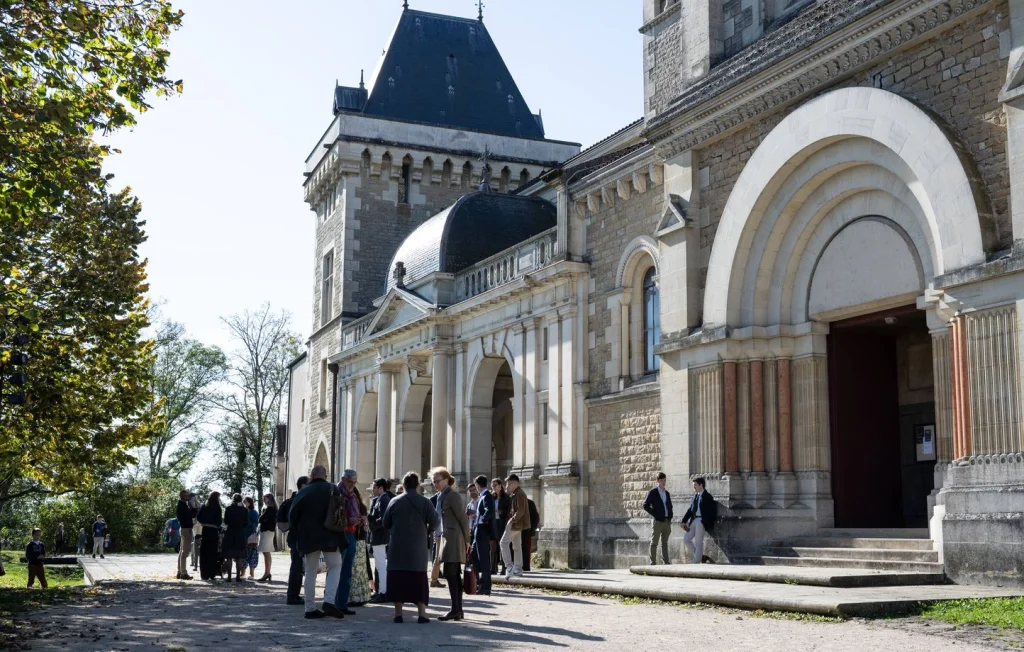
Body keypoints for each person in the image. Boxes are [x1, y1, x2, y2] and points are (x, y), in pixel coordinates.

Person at [289, 464, 345, 619]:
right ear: (325, 476)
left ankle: (310, 608)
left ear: (312, 476)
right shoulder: (333, 489)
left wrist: (299, 531)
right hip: (330, 535)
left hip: (309, 537)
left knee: (310, 572)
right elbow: (341, 512)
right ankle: (329, 601)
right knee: (335, 566)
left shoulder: (304, 492)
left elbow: (292, 515)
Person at [382, 471, 438, 624]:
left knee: (397, 579)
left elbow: (385, 523)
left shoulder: (394, 501)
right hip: (418, 548)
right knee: (418, 580)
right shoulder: (425, 502)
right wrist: (427, 530)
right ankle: (422, 613)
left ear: (404, 485)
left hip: (397, 547)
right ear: (418, 485)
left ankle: (398, 613)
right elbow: (435, 521)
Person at [431, 467, 470, 622]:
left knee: (450, 573)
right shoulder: (440, 496)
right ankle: (458, 610)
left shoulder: (452, 495)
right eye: (434, 481)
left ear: (446, 480)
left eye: (438, 481)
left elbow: (463, 518)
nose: (435, 484)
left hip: (454, 539)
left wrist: (467, 540)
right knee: (452, 574)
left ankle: (455, 610)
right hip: (445, 538)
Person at [333, 468, 365, 616]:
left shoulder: (353, 494)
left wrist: (362, 517)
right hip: (339, 534)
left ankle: (342, 603)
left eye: (354, 482)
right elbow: (332, 514)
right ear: (343, 479)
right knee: (336, 569)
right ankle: (331, 602)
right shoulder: (335, 492)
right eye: (350, 482)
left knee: (347, 570)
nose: (352, 484)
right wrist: (348, 520)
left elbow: (361, 507)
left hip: (351, 533)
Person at [278, 476, 309, 605]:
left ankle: (294, 594)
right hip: (299, 537)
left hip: (295, 537)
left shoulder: (290, 501)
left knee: (298, 566)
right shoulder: (298, 501)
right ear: (303, 486)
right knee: (297, 567)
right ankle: (293, 595)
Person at [499, 474, 530, 578]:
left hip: (515, 524)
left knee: (503, 543)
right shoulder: (517, 493)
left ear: (514, 483)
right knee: (516, 546)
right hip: (517, 524)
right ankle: (517, 569)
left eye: (508, 484)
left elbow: (521, 510)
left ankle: (509, 567)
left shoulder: (519, 494)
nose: (507, 486)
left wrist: (512, 520)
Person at [681, 477, 717, 564]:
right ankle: (700, 557)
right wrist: (684, 521)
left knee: (698, 542)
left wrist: (704, 521)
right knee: (686, 539)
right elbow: (690, 510)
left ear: (701, 485)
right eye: (693, 485)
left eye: (695, 485)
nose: (694, 487)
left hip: (701, 521)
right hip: (694, 520)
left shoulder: (707, 497)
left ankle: (696, 562)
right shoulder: (695, 496)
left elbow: (712, 512)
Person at [367, 478, 392, 604]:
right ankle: (381, 591)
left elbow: (383, 519)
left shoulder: (384, 499)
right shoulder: (379, 499)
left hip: (380, 536)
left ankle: (383, 592)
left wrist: (370, 521)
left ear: (381, 488)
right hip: (378, 536)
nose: (373, 489)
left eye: (374, 487)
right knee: (379, 565)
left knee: (381, 566)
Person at [471, 475, 496, 595]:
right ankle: (477, 582)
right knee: (473, 556)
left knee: (483, 559)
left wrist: (482, 520)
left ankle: (486, 586)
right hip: (478, 528)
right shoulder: (483, 495)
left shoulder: (486, 496)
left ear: (477, 485)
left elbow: (489, 511)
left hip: (482, 529)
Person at [348, 487, 373, 606]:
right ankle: (360, 596)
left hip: (356, 540)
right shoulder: (361, 507)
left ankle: (352, 597)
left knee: (354, 570)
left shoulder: (357, 507)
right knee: (359, 571)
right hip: (360, 542)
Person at [643, 472, 674, 565]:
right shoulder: (653, 492)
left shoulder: (667, 493)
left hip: (666, 521)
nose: (663, 482)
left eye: (664, 480)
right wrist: (655, 514)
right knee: (654, 542)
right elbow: (645, 505)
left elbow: (669, 505)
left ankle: (666, 561)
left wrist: (670, 516)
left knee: (665, 543)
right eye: (661, 480)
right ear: (657, 481)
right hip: (657, 521)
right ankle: (653, 561)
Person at [197, 493, 223, 581]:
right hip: (213, 530)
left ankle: (204, 574)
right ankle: (212, 573)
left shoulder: (204, 506)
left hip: (205, 530)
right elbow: (219, 520)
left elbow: (199, 517)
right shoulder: (217, 507)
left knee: (204, 552)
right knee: (212, 552)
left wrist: (204, 522)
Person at [223, 494, 249, 581]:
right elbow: (246, 523)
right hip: (240, 533)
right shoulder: (245, 510)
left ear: (233, 499)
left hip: (230, 533)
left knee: (229, 557)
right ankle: (238, 576)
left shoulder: (228, 509)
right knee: (239, 557)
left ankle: (229, 577)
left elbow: (225, 521)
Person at [175, 490, 198, 580]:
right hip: (186, 529)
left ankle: (180, 571)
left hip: (185, 528)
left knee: (182, 551)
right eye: (187, 496)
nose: (189, 497)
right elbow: (191, 515)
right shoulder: (182, 506)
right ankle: (183, 573)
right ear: (183, 496)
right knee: (185, 552)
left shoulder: (183, 505)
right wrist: (193, 507)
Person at [255, 493, 277, 582]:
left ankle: (267, 573)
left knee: (266, 552)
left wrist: (263, 518)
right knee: (266, 552)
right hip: (268, 531)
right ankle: (267, 572)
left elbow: (260, 519)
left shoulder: (270, 508)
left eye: (265, 498)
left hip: (267, 531)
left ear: (270, 499)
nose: (263, 500)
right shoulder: (270, 508)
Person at [491, 478, 511, 575]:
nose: (493, 487)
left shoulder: (506, 497)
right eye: (492, 485)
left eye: (495, 485)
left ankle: (504, 567)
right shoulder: (492, 497)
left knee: (502, 544)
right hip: (493, 523)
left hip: (502, 523)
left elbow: (509, 510)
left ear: (500, 486)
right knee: (493, 545)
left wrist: (501, 512)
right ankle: (493, 568)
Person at [428, 490, 444, 589]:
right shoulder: (434, 499)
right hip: (439, 531)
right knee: (437, 557)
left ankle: (434, 579)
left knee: (438, 557)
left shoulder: (441, 498)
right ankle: (434, 579)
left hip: (440, 530)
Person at [243, 497, 260, 579]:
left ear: (249, 503)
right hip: (244, 535)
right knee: (244, 555)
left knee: (252, 555)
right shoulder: (244, 511)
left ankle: (252, 574)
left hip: (250, 535)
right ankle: (242, 573)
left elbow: (255, 524)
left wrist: (247, 522)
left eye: (245, 501)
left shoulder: (253, 512)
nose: (244, 503)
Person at [522, 497, 540, 572]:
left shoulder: (529, 503)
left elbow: (535, 517)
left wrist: (532, 529)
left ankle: (526, 566)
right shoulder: (513, 501)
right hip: (518, 529)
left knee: (526, 548)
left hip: (527, 530)